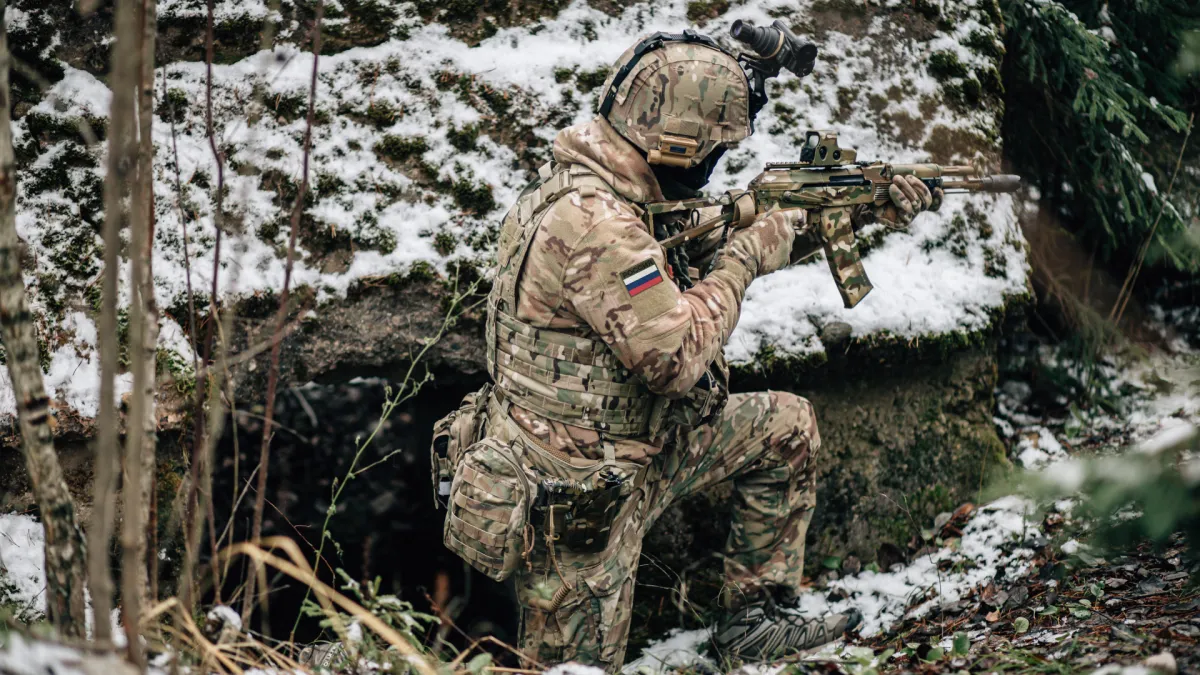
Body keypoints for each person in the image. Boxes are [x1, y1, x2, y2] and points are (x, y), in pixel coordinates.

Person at [436, 29, 940, 672]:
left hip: (637, 450)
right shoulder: (599, 226)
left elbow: (699, 234)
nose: (716, 162)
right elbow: (674, 361)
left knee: (784, 428)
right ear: (676, 142)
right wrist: (742, 263)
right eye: (714, 147)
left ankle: (752, 621)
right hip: (579, 496)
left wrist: (855, 211)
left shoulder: (602, 187)